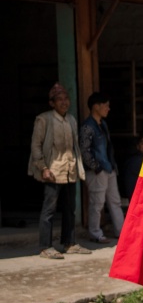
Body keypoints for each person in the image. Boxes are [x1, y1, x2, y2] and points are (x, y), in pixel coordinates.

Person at [28, 83, 90, 260]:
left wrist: (78, 168)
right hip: (53, 171)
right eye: (59, 100)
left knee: (70, 209)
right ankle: (45, 247)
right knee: (49, 210)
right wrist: (43, 168)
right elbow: (36, 146)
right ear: (51, 103)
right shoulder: (44, 119)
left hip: (69, 170)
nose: (64, 102)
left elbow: (74, 146)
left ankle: (69, 243)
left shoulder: (71, 119)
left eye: (66, 99)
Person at [80, 92, 124, 244]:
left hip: (108, 168)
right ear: (96, 106)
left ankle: (121, 231)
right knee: (97, 203)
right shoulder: (87, 127)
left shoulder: (102, 124)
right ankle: (95, 233)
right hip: (98, 170)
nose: (108, 108)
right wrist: (96, 167)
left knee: (115, 201)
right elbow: (84, 151)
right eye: (105, 105)